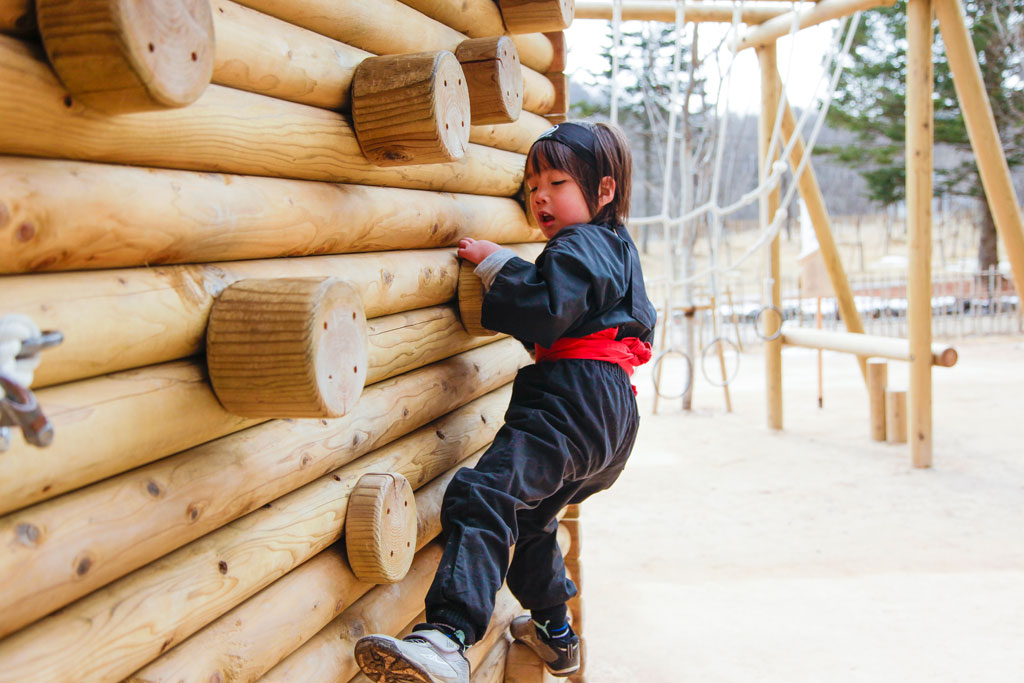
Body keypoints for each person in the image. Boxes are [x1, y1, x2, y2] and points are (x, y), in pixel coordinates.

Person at [354, 121, 657, 683]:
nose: (540, 195)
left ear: (605, 191)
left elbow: (545, 310)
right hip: (611, 416)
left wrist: (498, 266)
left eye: (558, 182)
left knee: (485, 494)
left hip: (572, 400)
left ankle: (447, 638)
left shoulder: (581, 241)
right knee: (535, 520)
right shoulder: (617, 247)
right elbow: (569, 317)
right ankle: (555, 632)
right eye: (531, 184)